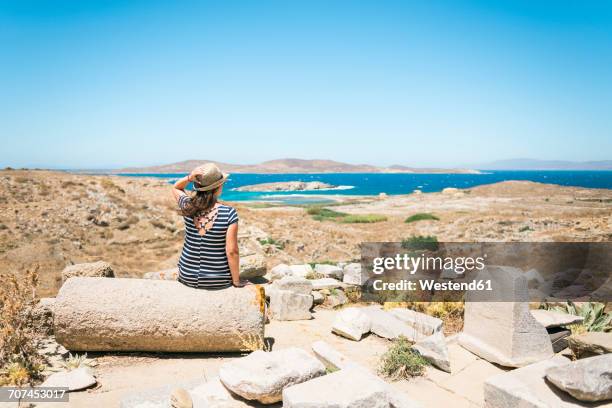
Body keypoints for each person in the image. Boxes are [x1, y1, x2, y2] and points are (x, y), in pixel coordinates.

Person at [171, 162, 247, 289]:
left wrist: (190, 177)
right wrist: (236, 281)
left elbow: (176, 188)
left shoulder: (188, 206)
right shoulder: (229, 213)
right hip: (218, 279)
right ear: (217, 187)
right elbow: (232, 251)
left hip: (187, 276)